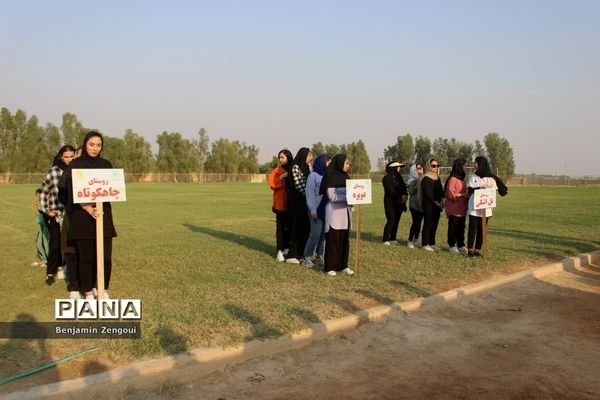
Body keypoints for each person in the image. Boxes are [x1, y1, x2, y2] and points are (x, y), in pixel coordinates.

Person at [63, 131, 117, 299]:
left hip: (102, 215)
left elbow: (113, 189)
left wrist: (98, 209)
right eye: (91, 144)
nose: (95, 148)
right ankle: (87, 292)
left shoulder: (106, 164)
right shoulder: (76, 164)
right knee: (86, 258)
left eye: (98, 145)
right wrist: (88, 208)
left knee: (106, 257)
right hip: (82, 217)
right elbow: (72, 192)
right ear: (85, 144)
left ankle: (103, 290)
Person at [39, 145, 76, 286]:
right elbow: (43, 191)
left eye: (71, 156)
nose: (69, 159)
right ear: (60, 157)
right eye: (66, 157)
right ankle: (51, 273)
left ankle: (65, 269)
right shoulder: (54, 171)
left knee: (69, 244)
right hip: (56, 214)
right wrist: (46, 209)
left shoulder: (75, 171)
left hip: (71, 214)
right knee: (55, 244)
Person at [321, 154, 354, 276]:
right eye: (347, 163)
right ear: (340, 163)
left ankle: (343, 265)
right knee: (333, 241)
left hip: (345, 214)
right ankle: (330, 266)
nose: (348, 165)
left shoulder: (346, 177)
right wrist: (348, 197)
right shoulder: (330, 177)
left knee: (344, 241)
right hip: (334, 214)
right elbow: (332, 196)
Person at [285, 147, 313, 264]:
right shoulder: (296, 167)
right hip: (297, 202)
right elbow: (299, 186)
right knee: (297, 228)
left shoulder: (307, 167)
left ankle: (301, 253)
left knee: (305, 228)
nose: (311, 158)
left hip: (305, 202)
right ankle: (292, 255)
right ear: (303, 156)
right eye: (309, 156)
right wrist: (310, 194)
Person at [466, 156, 498, 258]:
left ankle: (477, 249)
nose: (474, 165)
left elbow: (494, 191)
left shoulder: (491, 178)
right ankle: (470, 250)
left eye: (475, 163)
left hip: (486, 208)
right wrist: (479, 188)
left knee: (482, 229)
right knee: (472, 229)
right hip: (474, 208)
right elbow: (469, 189)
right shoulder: (473, 177)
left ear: (481, 164)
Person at [302, 154, 330, 268]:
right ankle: (306, 257)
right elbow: (309, 194)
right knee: (315, 233)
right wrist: (312, 209)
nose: (329, 164)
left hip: (326, 210)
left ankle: (319, 256)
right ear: (321, 162)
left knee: (323, 234)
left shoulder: (327, 175)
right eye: (328, 162)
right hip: (316, 210)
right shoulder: (312, 176)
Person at [267, 149, 293, 262]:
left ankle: (287, 248)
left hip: (292, 204)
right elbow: (272, 184)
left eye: (283, 157)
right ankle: (279, 250)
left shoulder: (293, 169)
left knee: (290, 228)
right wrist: (281, 177)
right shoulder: (276, 171)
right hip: (280, 205)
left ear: (288, 157)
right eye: (280, 157)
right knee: (281, 228)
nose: (281, 159)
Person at [444, 158, 468, 254]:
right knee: (453, 227)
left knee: (461, 227)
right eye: (464, 166)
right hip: (453, 208)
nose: (465, 168)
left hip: (462, 208)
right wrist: (463, 194)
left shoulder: (462, 179)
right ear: (459, 166)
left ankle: (461, 244)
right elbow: (450, 194)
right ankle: (452, 245)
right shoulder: (453, 179)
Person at [420, 158, 444, 251]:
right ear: (429, 166)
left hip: (437, 205)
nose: (435, 167)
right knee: (428, 224)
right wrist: (437, 203)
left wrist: (442, 200)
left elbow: (441, 191)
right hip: (428, 205)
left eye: (437, 166)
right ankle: (425, 244)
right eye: (433, 165)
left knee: (435, 224)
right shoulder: (425, 178)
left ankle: (432, 243)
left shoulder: (437, 177)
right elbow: (428, 193)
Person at [381, 161, 408, 245]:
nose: (399, 169)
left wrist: (405, 195)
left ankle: (393, 238)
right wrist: (400, 196)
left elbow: (404, 187)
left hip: (399, 203)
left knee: (396, 221)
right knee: (391, 220)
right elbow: (390, 190)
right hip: (390, 203)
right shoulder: (386, 178)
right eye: (398, 167)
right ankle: (385, 239)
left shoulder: (399, 177)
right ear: (393, 168)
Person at [406, 163, 424, 248]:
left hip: (421, 205)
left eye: (421, 167)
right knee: (415, 222)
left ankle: (416, 239)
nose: (421, 169)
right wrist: (418, 182)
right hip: (414, 205)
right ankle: (410, 241)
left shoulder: (424, 178)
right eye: (418, 168)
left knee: (419, 222)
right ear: (414, 170)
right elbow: (411, 192)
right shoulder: (411, 181)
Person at [32, 188, 49, 268]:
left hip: (46, 225)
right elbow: (38, 215)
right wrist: (35, 208)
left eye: (39, 195)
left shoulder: (46, 203)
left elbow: (45, 214)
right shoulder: (41, 204)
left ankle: (47, 261)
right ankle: (44, 259)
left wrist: (37, 209)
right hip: (40, 225)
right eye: (37, 196)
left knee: (46, 243)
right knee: (39, 243)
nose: (38, 197)